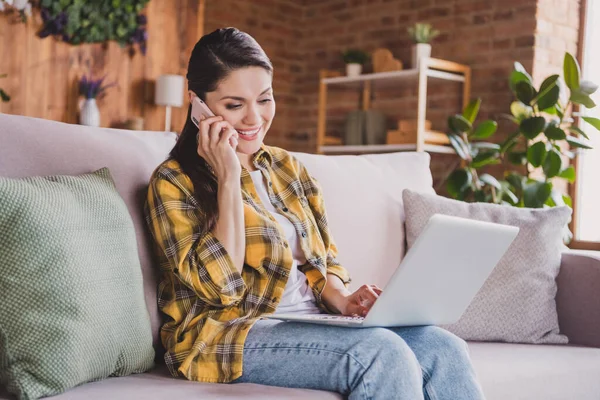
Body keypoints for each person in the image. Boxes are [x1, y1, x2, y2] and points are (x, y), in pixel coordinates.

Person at [144, 27, 485, 400]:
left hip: (308, 320)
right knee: (381, 354)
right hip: (225, 334)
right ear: (198, 105)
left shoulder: (287, 168)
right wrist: (228, 178)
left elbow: (324, 258)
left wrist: (340, 297)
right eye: (234, 104)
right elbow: (221, 290)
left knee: (444, 349)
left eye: (264, 99)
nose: (254, 118)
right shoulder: (173, 182)